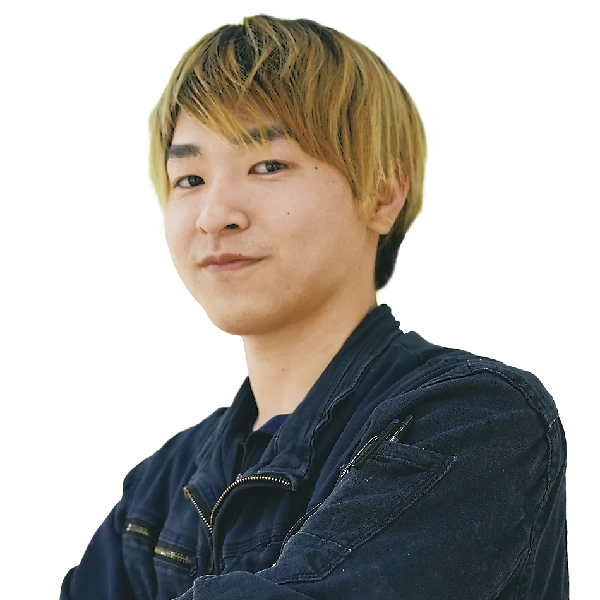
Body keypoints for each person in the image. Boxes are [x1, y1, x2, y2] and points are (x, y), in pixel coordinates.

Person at [60, 12, 568, 599]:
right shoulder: (159, 488)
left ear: (383, 193)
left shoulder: (472, 420)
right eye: (190, 178)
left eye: (268, 165)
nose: (214, 215)